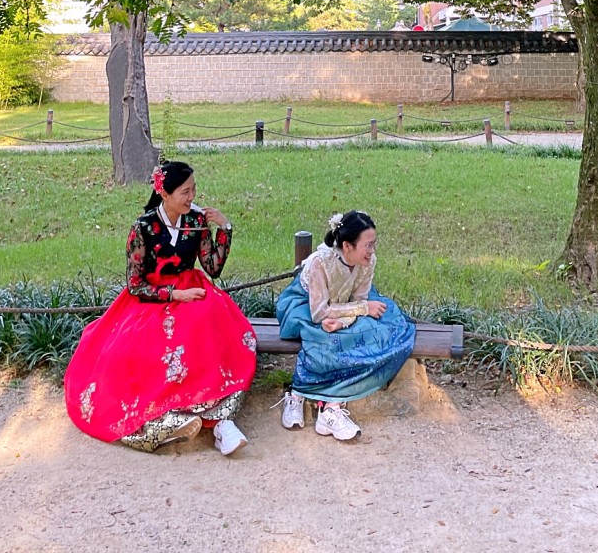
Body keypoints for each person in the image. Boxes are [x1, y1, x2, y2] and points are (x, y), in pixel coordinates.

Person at [64, 159, 256, 454]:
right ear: (164, 194)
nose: (192, 197)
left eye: (193, 190)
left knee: (204, 325)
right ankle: (168, 421)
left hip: (192, 290)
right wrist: (173, 296)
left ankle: (219, 420)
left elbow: (212, 268)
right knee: (140, 350)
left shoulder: (195, 221)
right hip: (152, 298)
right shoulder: (143, 228)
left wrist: (225, 228)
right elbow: (135, 284)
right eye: (185, 192)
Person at [275, 210, 416, 441]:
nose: (372, 252)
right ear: (347, 246)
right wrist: (357, 311)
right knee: (321, 336)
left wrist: (342, 321)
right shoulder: (320, 262)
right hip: (306, 306)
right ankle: (298, 392)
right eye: (367, 246)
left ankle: (331, 407)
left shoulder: (368, 262)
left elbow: (360, 299)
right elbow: (319, 312)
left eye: (374, 245)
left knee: (385, 331)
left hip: (345, 308)